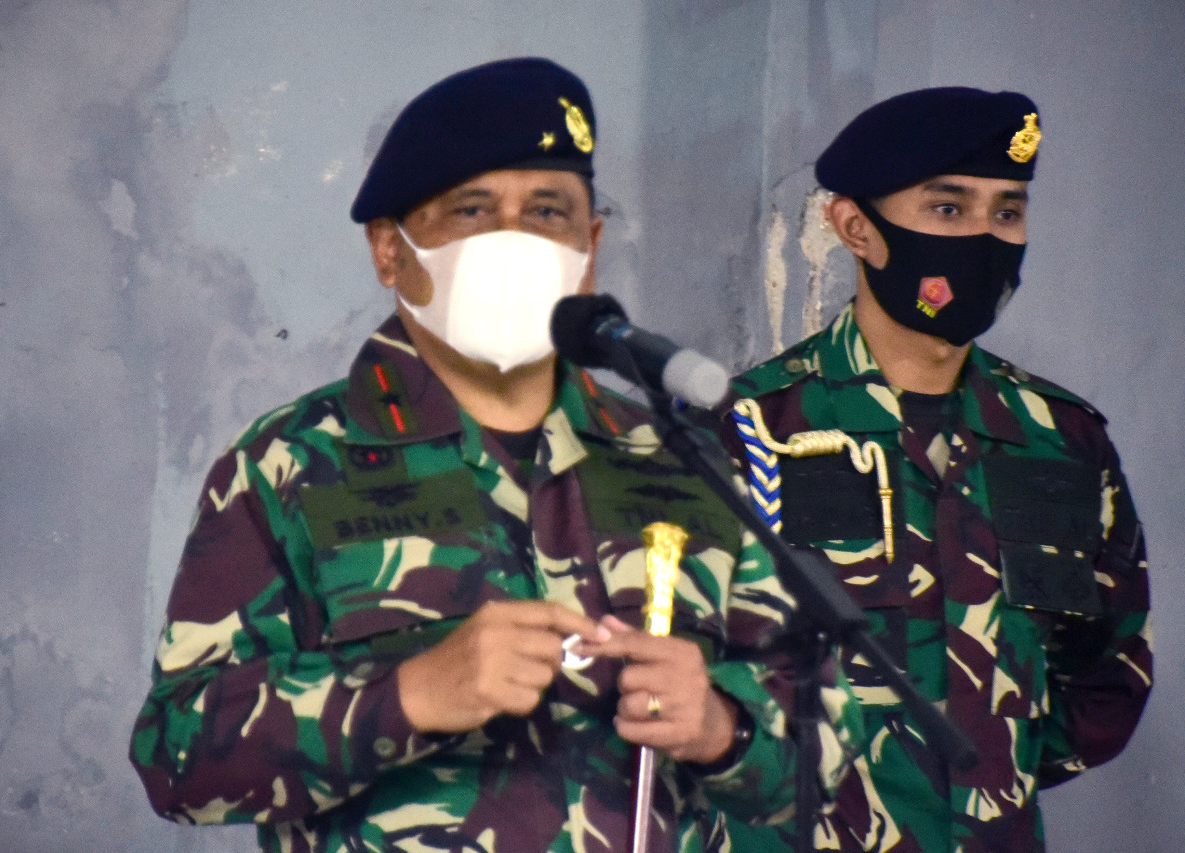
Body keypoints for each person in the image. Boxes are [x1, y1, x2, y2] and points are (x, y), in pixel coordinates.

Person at [129, 57, 862, 853]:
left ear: (589, 246)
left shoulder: (679, 464)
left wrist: (722, 727)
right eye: (473, 210)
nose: (514, 238)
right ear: (389, 248)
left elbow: (823, 760)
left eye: (547, 212)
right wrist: (408, 696)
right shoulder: (288, 469)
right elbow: (177, 760)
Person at [722, 87, 1152, 852]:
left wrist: (986, 769)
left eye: (1007, 211)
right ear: (854, 226)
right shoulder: (749, 429)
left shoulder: (1062, 439)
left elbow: (1109, 667)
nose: (986, 236)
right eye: (948, 209)